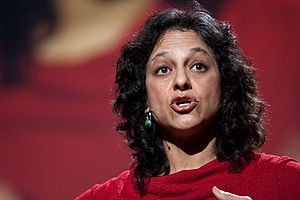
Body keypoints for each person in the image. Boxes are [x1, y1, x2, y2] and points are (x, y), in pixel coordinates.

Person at [75, 5, 300, 200]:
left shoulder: (286, 182)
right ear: (144, 97)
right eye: (163, 69)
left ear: (225, 85)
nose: (181, 81)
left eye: (198, 66)